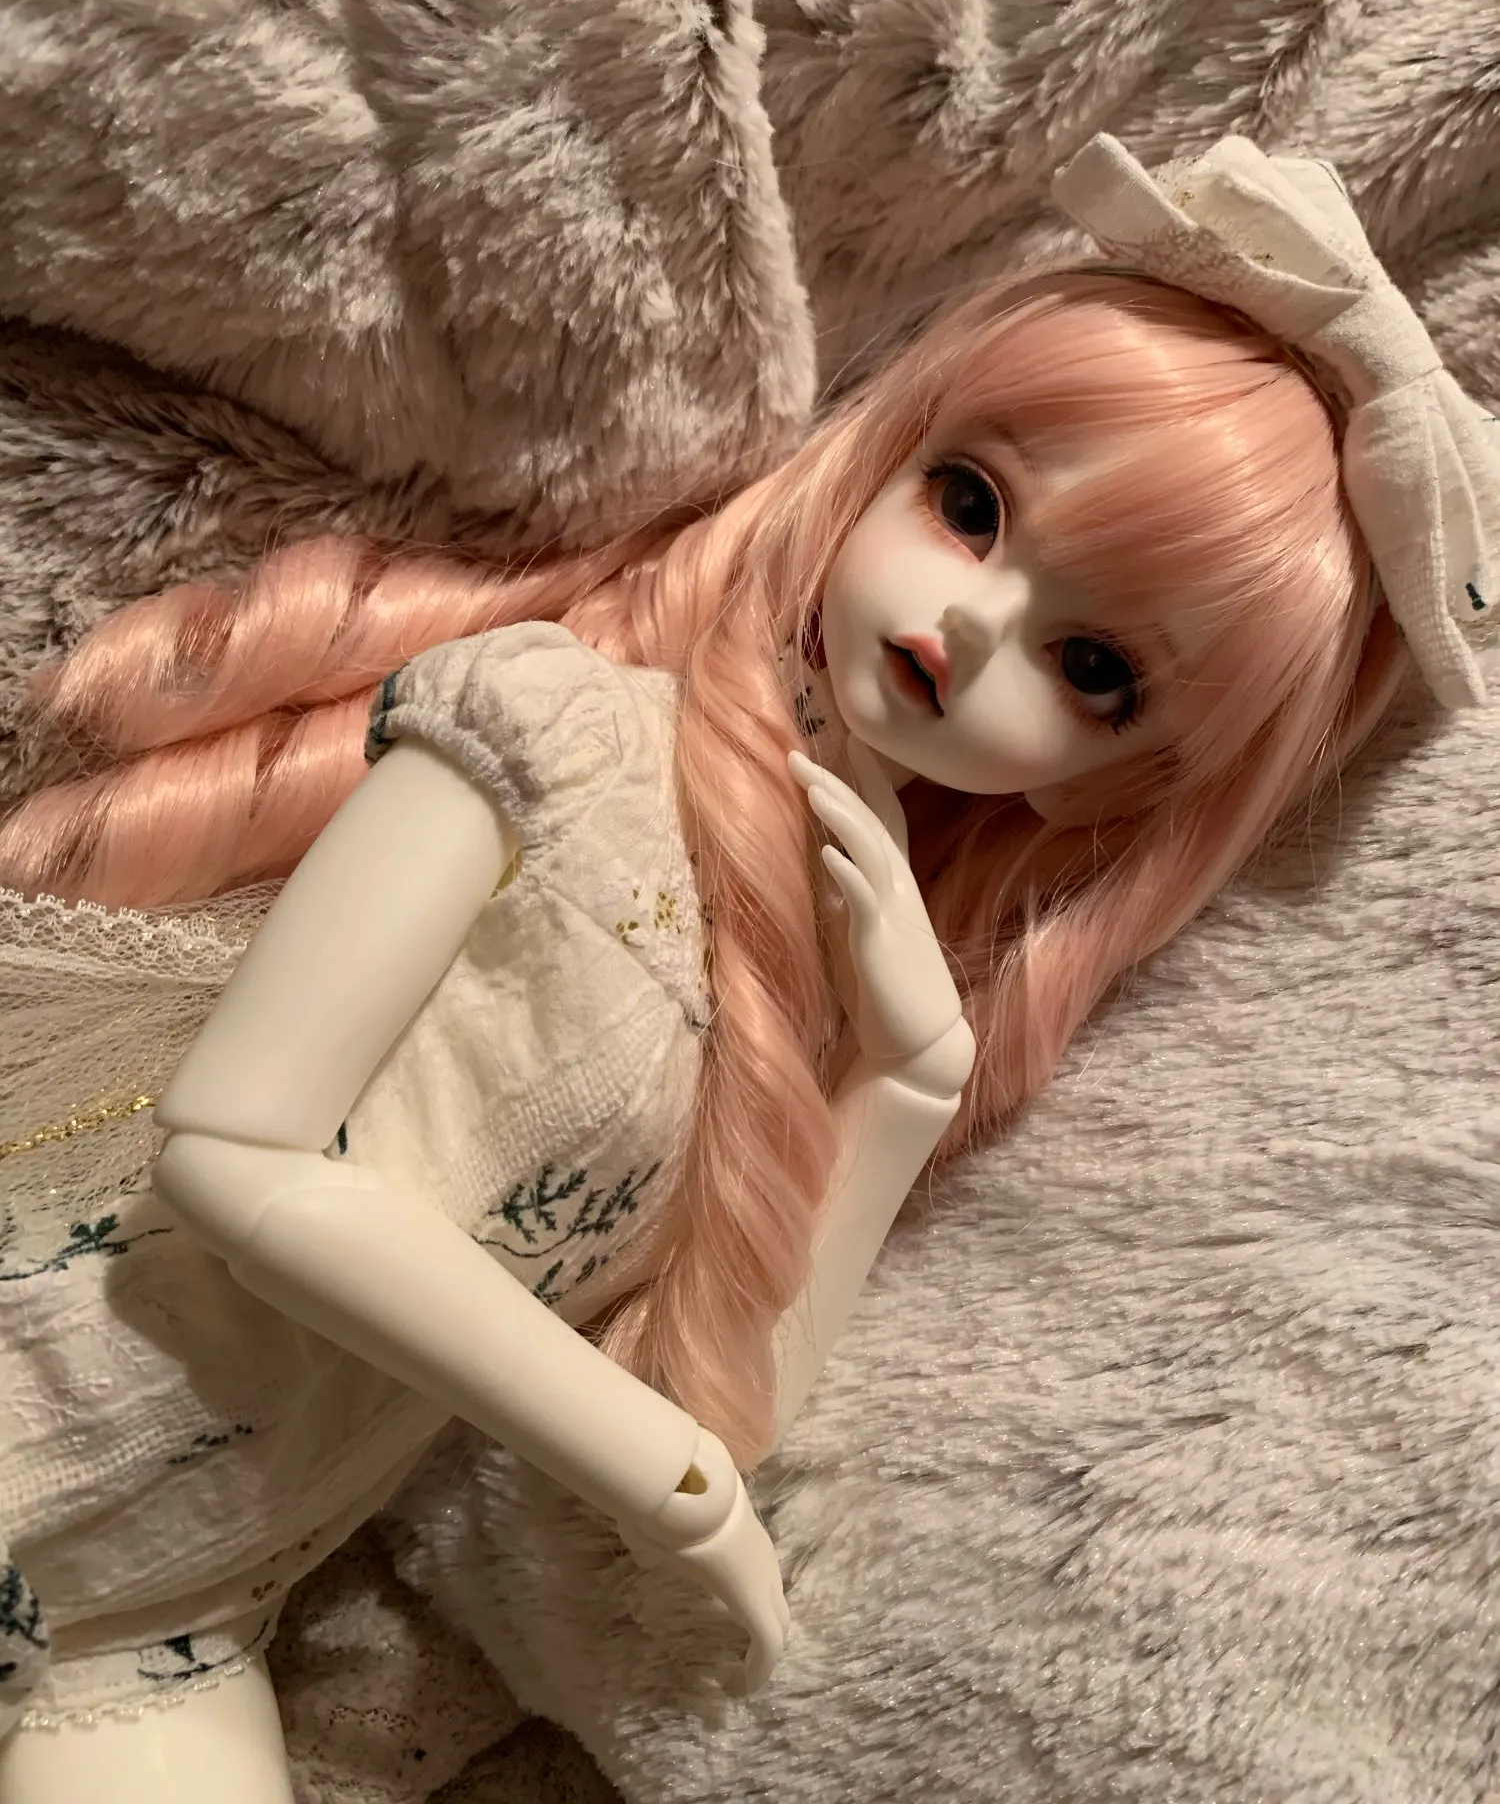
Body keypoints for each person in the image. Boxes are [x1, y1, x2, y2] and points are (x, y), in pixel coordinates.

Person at [0, 134, 1492, 1803]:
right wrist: (656, 1471)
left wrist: (906, 1086)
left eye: (1092, 667)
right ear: (884, 458)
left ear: (1112, 788)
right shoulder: (553, 734)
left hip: (162, 1618)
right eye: (971, 505)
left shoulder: (831, 1006)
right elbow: (232, 1149)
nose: (969, 626)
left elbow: (724, 1395)